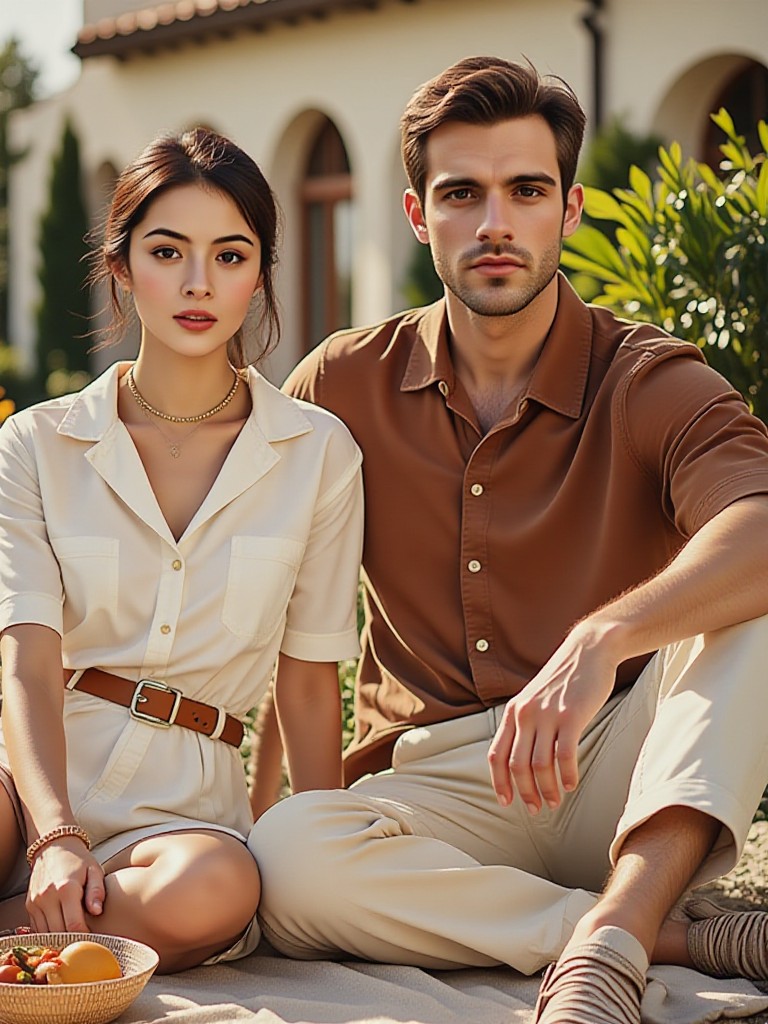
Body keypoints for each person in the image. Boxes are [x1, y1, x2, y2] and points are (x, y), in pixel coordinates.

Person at [248, 56, 768, 1024]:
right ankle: (659, 935)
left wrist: (602, 638)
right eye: (463, 194)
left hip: (619, 763)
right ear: (418, 215)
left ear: (569, 210)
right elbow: (271, 595)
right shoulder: (341, 384)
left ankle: (612, 942)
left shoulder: (648, 378)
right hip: (439, 792)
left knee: (750, 607)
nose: (496, 223)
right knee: (286, 857)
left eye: (527, 191)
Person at [0, 127, 363, 973]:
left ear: (260, 274)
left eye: (230, 256)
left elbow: (309, 682)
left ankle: (22, 934)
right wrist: (54, 834)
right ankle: (52, 941)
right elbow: (26, 657)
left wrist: (328, 860)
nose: (199, 282)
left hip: (183, 817)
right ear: (122, 266)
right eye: (168, 252)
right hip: (28, 784)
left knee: (216, 889)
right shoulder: (37, 445)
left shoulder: (317, 453)